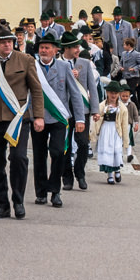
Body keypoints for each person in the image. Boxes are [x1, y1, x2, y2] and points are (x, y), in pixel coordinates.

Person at [0, 22, 43, 220]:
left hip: (18, 118)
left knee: (19, 158)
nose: (7, 45)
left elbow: (36, 89)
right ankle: (1, 204)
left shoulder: (26, 60)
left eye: (9, 41)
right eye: (2, 42)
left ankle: (18, 200)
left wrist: (39, 116)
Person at [30, 33, 84, 209]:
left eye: (47, 48)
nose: (44, 50)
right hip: (38, 117)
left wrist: (80, 118)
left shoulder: (64, 67)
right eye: (41, 47)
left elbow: (75, 94)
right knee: (39, 155)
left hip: (59, 118)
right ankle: (40, 192)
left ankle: (55, 191)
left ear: (55, 50)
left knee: (59, 152)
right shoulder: (32, 66)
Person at [61, 34, 102, 191]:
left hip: (82, 109)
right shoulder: (58, 63)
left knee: (83, 143)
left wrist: (95, 110)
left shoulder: (84, 63)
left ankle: (80, 173)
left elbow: (92, 88)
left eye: (78, 47)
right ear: (67, 48)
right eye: (75, 47)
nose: (78, 50)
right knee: (65, 145)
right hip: (64, 110)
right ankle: (67, 177)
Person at [94, 81, 138, 184]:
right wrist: (100, 116)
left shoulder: (122, 108)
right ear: (107, 93)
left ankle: (117, 170)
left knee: (116, 150)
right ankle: (110, 175)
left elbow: (124, 124)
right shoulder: (102, 105)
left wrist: (125, 139)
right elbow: (97, 118)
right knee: (107, 150)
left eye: (115, 93)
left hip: (116, 130)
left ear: (118, 94)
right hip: (106, 129)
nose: (113, 95)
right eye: (111, 93)